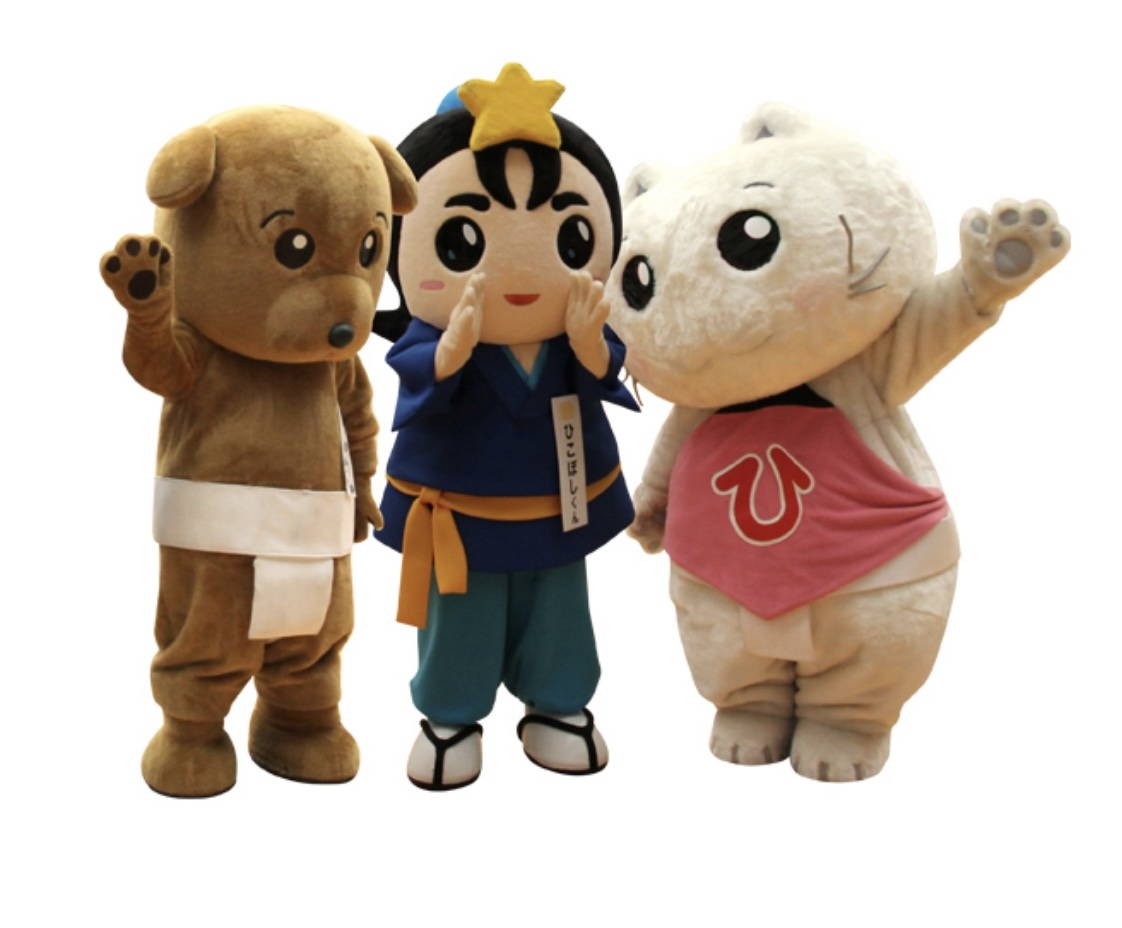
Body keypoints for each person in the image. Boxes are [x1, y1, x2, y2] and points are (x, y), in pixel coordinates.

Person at [373, 63, 638, 790]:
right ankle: (450, 715)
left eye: (573, 238)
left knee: (559, 607)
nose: (522, 270)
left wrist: (590, 346)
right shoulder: (435, 336)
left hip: (559, 502)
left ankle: (557, 702)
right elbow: (416, 378)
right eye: (460, 241)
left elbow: (608, 373)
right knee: (459, 612)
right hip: (458, 511)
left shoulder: (573, 332)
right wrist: (450, 355)